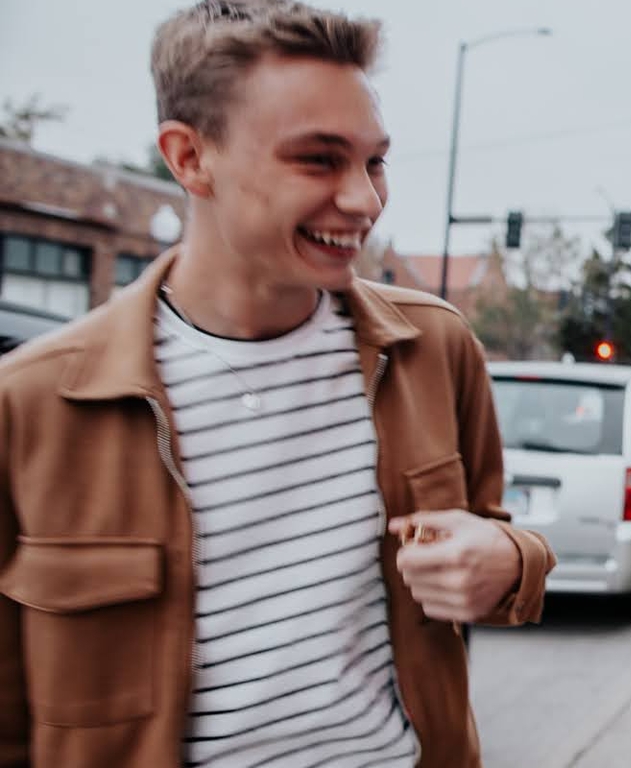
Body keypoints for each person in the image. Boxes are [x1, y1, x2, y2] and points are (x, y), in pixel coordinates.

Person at [0, 2, 554, 765]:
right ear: (189, 157)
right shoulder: (30, 403)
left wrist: (509, 561)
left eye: (375, 161)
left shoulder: (434, 348)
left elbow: (494, 538)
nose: (364, 199)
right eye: (319, 160)